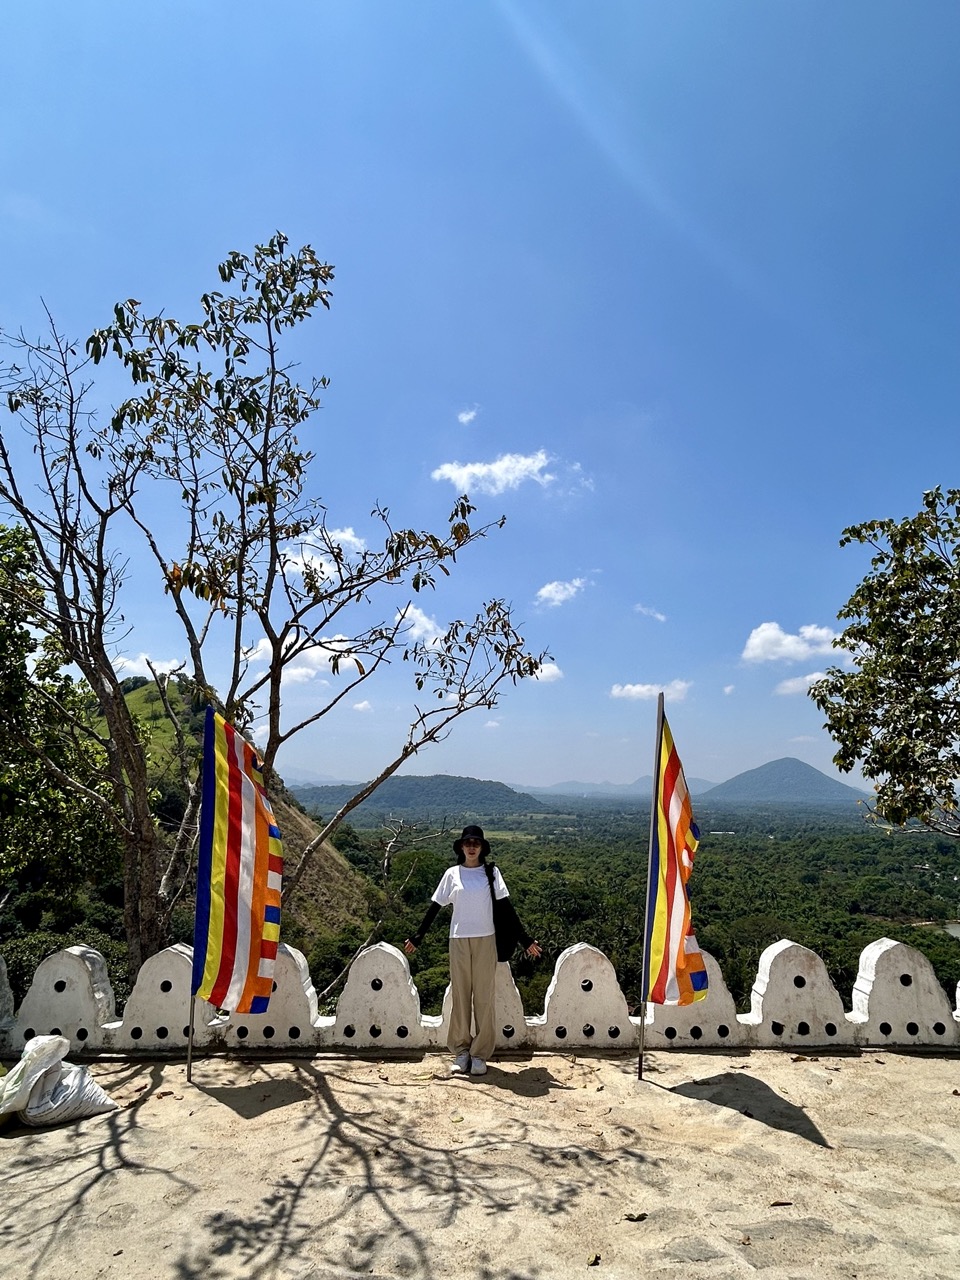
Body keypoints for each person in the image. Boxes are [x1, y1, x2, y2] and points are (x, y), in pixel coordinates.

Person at [404, 824, 541, 1077]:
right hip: (458, 940)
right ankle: (461, 1050)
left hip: (486, 940)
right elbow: (435, 907)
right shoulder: (452, 874)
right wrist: (418, 936)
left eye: (476, 843)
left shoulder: (491, 873)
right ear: (461, 847)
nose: (471, 847)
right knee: (461, 996)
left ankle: (480, 1054)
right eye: (467, 843)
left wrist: (526, 939)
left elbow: (507, 908)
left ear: (482, 848)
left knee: (484, 998)